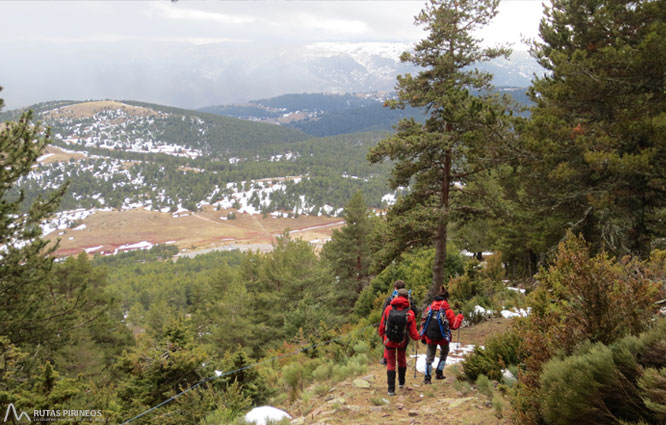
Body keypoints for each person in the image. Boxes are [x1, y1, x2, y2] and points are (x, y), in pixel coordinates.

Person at [378, 288, 420, 396]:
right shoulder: (410, 313)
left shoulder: (388, 309)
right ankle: (401, 383)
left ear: (397, 296)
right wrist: (417, 338)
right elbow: (413, 331)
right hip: (402, 341)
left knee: (391, 363)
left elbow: (382, 324)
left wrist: (382, 335)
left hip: (389, 340)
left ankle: (391, 390)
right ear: (407, 298)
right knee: (401, 360)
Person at [419, 287, 463, 384]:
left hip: (430, 336)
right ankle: (439, 372)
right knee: (444, 352)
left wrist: (422, 336)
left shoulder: (430, 308)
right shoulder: (447, 310)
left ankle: (427, 378)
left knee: (429, 356)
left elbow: (424, 323)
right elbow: (454, 325)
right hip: (443, 337)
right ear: (446, 298)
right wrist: (460, 316)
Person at [380, 280, 417, 365]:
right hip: (404, 325)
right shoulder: (409, 298)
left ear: (395, 288)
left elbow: (384, 312)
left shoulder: (391, 298)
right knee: (402, 348)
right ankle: (401, 368)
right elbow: (414, 310)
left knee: (388, 340)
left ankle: (386, 359)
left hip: (391, 324)